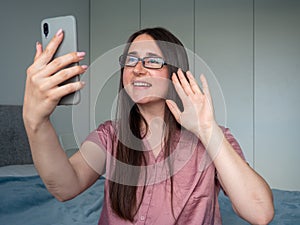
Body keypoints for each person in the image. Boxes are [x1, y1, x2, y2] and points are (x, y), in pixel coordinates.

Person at [23, 27, 274, 224]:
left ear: (175, 72)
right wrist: (36, 122)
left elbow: (260, 213)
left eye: (153, 61)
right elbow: (65, 187)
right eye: (131, 60)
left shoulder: (214, 139)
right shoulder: (110, 136)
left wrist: (207, 130)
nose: (138, 69)